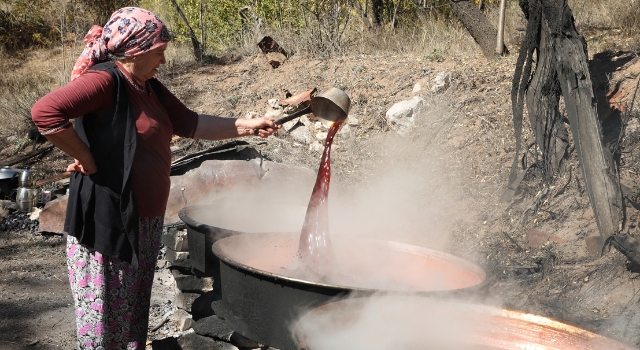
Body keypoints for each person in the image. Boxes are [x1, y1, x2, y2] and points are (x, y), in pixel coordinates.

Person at [31, 7, 279, 349]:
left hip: (143, 220)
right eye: (158, 52)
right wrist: (85, 157)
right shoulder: (106, 81)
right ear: (136, 50)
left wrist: (247, 125)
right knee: (103, 321)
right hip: (108, 220)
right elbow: (45, 112)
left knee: (132, 313)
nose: (163, 60)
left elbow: (192, 123)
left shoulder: (149, 87)